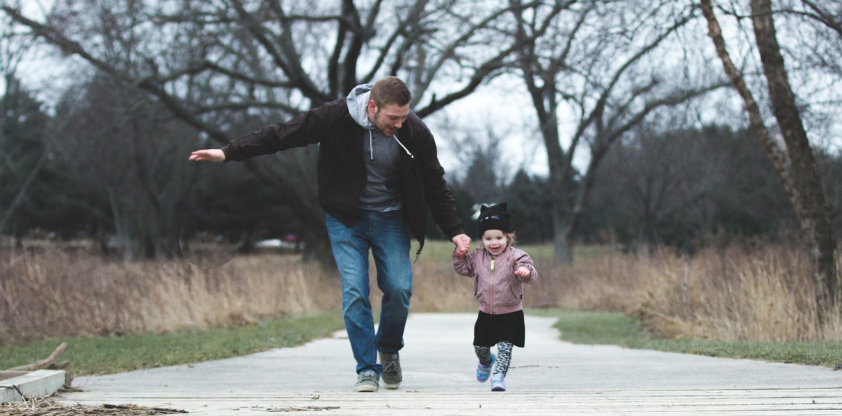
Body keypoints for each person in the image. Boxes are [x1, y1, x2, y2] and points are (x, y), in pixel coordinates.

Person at [189, 77, 472, 392]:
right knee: (354, 292)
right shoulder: (334, 116)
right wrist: (228, 152)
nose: (399, 123)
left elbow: (435, 182)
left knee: (399, 288)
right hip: (345, 218)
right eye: (393, 118)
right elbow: (283, 134)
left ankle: (389, 348)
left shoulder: (414, 131)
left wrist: (455, 232)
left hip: (390, 217)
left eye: (404, 116)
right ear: (372, 106)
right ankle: (367, 369)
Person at [452, 202, 537, 392]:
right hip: (486, 313)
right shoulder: (477, 257)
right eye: (488, 238)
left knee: (505, 349)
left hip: (510, 313)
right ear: (481, 240)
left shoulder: (516, 257)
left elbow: (532, 273)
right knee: (480, 347)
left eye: (499, 237)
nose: (494, 242)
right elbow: (463, 268)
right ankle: (486, 361)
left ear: (508, 237)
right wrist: (459, 256)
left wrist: (525, 271)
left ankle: (498, 377)